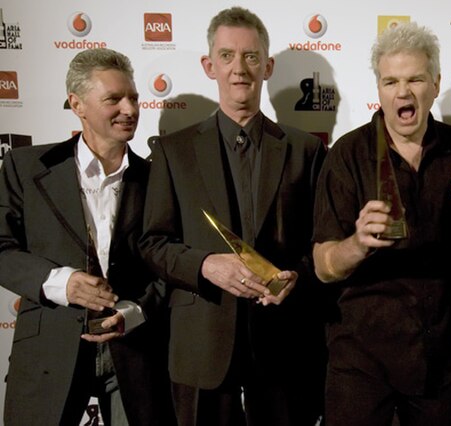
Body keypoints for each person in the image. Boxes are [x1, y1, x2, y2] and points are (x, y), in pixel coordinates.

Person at [139, 6, 327, 426]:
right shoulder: (173, 151)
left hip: (283, 345)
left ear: (268, 66)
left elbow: (320, 245)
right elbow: (152, 243)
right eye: (226, 56)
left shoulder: (306, 151)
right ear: (209, 66)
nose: (239, 68)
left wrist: (297, 275)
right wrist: (205, 265)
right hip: (202, 346)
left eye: (251, 56)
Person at [312, 22, 451, 426]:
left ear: (436, 83)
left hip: (442, 354)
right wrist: (357, 243)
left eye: (415, 79)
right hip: (361, 358)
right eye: (391, 81)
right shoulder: (347, 155)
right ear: (378, 89)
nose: (403, 92)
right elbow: (323, 266)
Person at [0, 48, 175, 425]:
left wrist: (136, 311)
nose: (129, 109)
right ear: (77, 104)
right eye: (113, 99)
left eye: (132, 97)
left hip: (136, 354)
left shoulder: (159, 178)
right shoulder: (26, 166)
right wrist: (59, 282)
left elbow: (170, 263)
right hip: (49, 353)